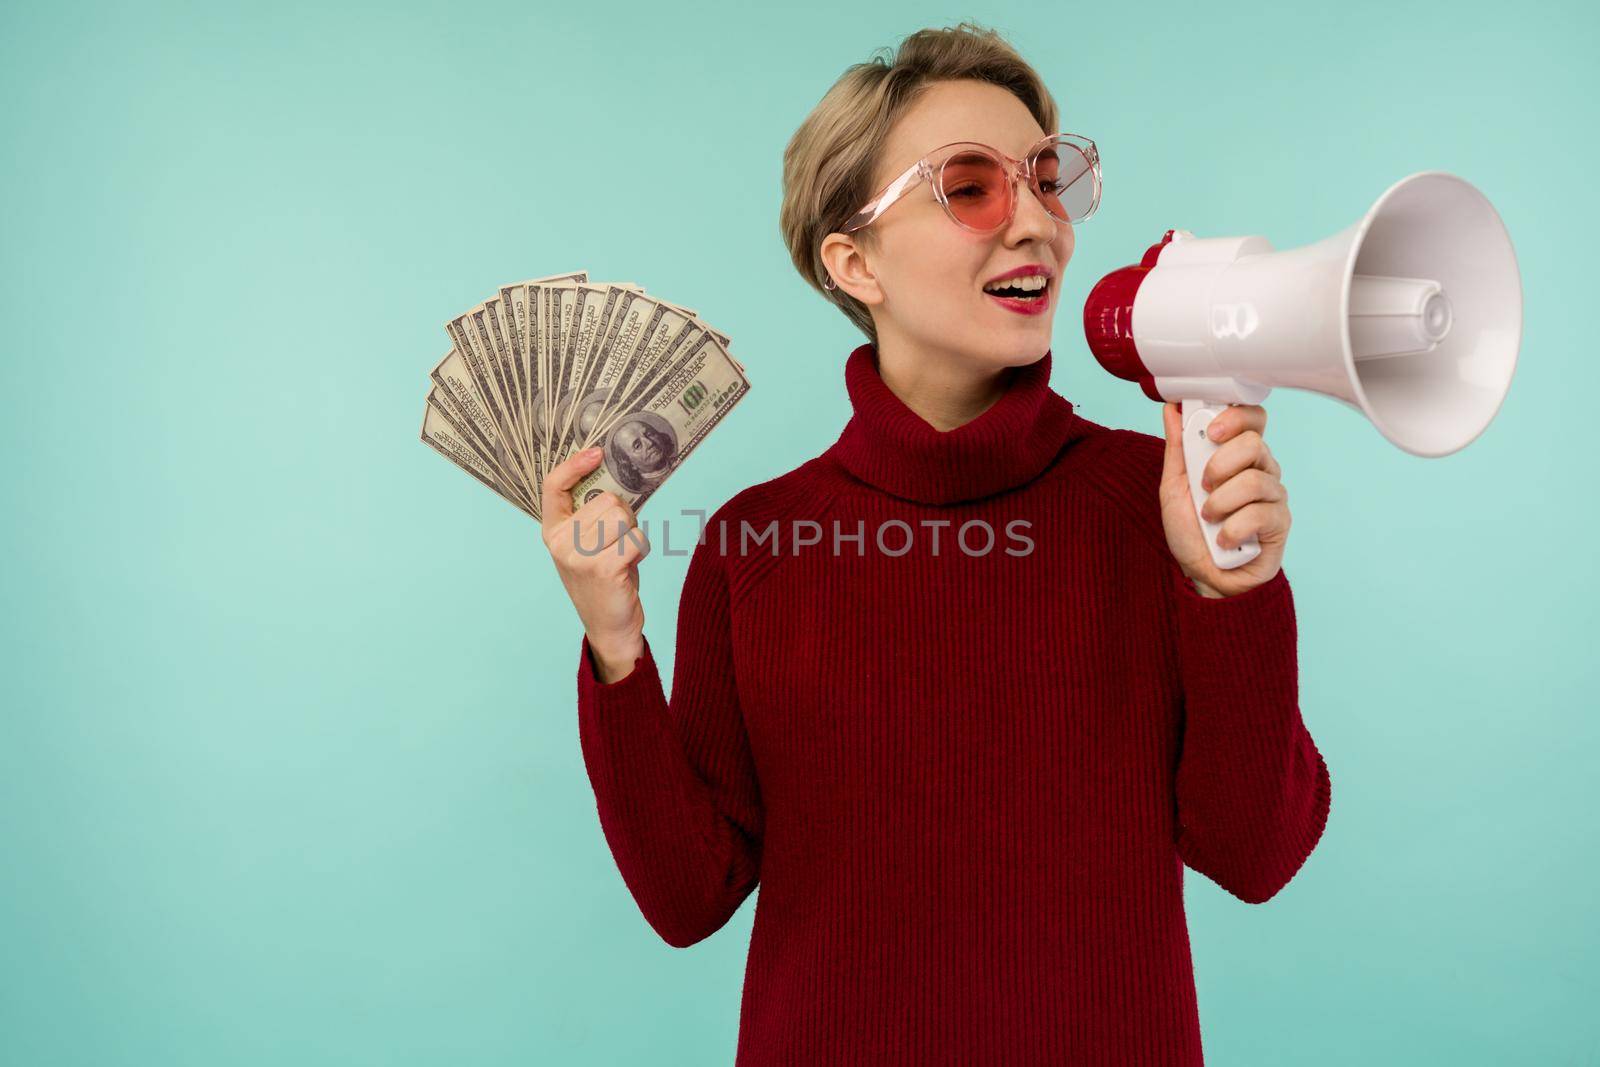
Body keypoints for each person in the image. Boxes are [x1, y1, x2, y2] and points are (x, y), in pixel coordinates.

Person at [541, 22, 1330, 1066]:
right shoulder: (754, 545)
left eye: (1048, 181)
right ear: (851, 259)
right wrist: (615, 647)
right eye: (970, 186)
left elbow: (1254, 851)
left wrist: (1228, 588)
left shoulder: (1162, 500)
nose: (1037, 223)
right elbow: (691, 898)